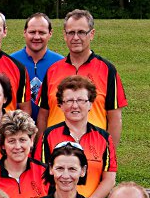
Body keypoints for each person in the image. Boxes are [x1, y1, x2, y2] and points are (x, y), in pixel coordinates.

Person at [37, 9, 127, 144]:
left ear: (92, 34)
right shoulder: (53, 70)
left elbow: (115, 118)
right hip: (56, 150)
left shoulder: (107, 70)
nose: (75, 38)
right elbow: (43, 116)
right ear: (65, 35)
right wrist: (42, 150)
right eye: (71, 32)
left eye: (81, 32)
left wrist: (109, 152)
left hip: (93, 149)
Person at [36, 75, 117, 198]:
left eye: (81, 100)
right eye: (69, 101)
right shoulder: (48, 136)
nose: (75, 106)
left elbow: (109, 179)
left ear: (90, 104)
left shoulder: (104, 138)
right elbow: (39, 176)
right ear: (61, 105)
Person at [10, 13, 64, 119]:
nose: (36, 37)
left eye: (42, 32)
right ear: (24, 32)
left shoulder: (61, 64)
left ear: (50, 33)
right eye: (32, 32)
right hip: (17, 126)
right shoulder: (11, 62)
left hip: (51, 126)